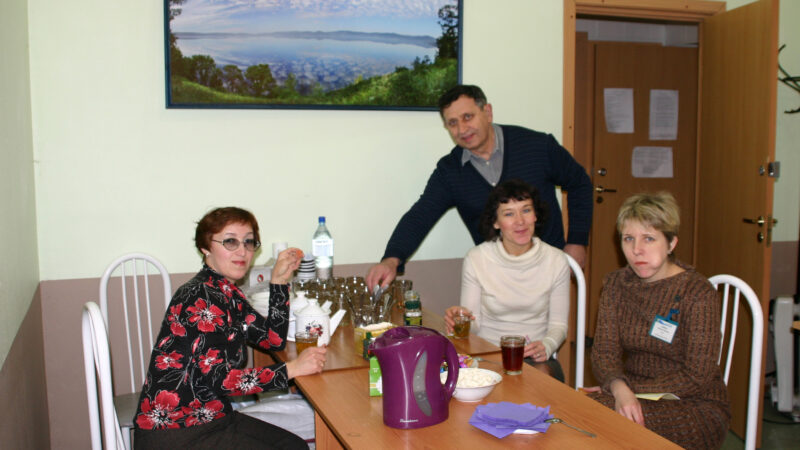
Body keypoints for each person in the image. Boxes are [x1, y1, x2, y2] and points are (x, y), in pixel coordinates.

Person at [133, 207, 326, 449]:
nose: (242, 251)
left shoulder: (225, 292)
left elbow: (273, 340)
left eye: (248, 242)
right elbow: (221, 380)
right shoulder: (201, 297)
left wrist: (278, 281)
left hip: (211, 416)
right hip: (177, 432)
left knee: (291, 444)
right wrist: (292, 369)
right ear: (206, 247)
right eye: (230, 241)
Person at [366, 84, 592, 289]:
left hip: (548, 269)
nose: (462, 129)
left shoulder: (538, 146)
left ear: (488, 112)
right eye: (453, 123)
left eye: (468, 117)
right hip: (496, 278)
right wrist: (391, 259)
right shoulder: (450, 170)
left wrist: (577, 241)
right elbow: (421, 215)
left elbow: (580, 183)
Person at [587, 193, 730, 449]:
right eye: (628, 238)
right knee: (584, 411)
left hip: (694, 404)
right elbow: (603, 353)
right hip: (634, 394)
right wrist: (619, 387)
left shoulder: (697, 292)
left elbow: (697, 375)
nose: (636, 249)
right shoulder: (616, 285)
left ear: (671, 243)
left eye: (649, 238)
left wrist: (625, 389)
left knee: (601, 419)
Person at [443, 179, 570, 381]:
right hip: (487, 354)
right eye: (509, 214)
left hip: (534, 357)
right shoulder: (477, 258)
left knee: (538, 382)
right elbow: (474, 325)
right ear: (496, 222)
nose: (520, 221)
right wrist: (460, 319)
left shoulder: (556, 260)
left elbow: (559, 325)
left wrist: (547, 345)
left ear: (535, 215)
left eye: (526, 210)